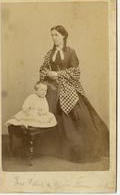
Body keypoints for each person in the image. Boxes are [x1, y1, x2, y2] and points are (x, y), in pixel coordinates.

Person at [39, 25, 109, 162]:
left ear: (63, 36)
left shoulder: (71, 52)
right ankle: (52, 147)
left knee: (76, 113)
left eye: (56, 35)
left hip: (68, 86)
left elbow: (75, 72)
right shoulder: (49, 54)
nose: (54, 38)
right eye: (52, 35)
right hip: (52, 87)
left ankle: (77, 149)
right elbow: (42, 69)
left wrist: (58, 74)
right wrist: (48, 74)